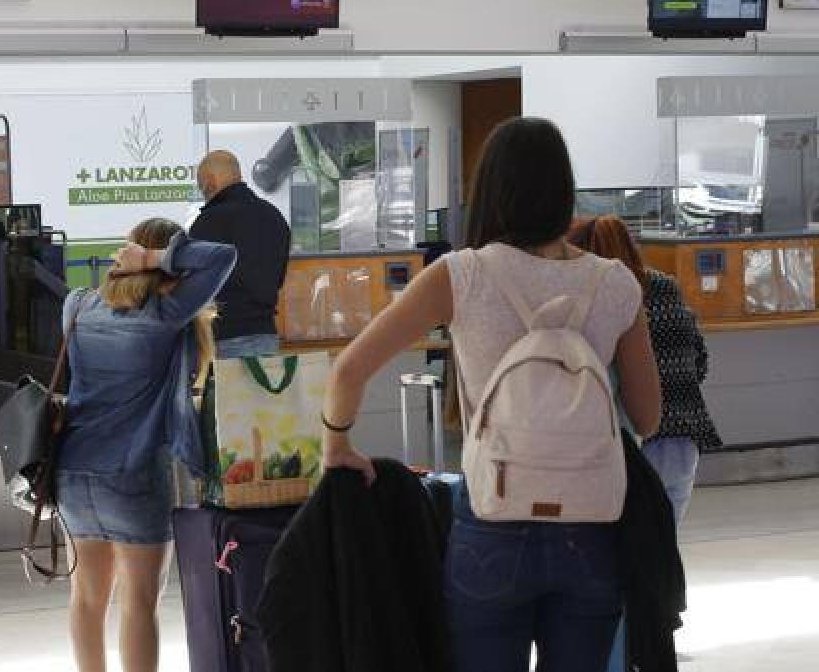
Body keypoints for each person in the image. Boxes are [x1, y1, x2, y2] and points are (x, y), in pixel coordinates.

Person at [321, 117, 662, 672]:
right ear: (565, 190)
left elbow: (348, 370)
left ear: (490, 190)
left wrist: (336, 444)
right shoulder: (616, 282)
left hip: (493, 523)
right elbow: (648, 418)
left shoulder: (462, 275)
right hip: (591, 525)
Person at [57, 219, 235, 672]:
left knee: (86, 599)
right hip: (134, 476)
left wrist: (140, 257)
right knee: (139, 603)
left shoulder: (77, 306)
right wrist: (155, 259)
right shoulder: (164, 316)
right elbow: (223, 257)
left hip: (72, 472)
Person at [568, 215, 720, 526]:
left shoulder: (602, 299)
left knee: (624, 545)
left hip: (631, 440)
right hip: (683, 435)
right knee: (663, 544)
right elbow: (699, 358)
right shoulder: (666, 286)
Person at [189, 150, 290, 358]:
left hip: (224, 338)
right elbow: (279, 278)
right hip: (266, 335)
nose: (202, 191)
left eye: (200, 185)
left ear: (209, 181)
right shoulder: (273, 216)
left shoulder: (209, 222)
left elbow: (194, 287)